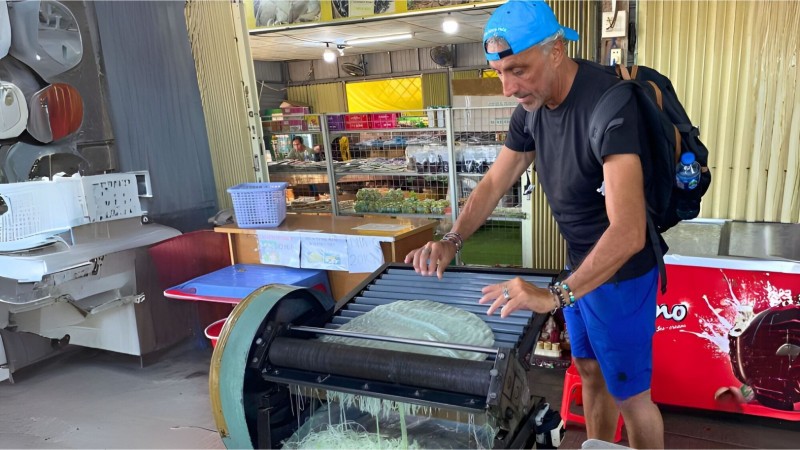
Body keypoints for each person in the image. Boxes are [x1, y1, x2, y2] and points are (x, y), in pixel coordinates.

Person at [404, 1, 664, 448]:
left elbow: (628, 231)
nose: (508, 87)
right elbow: (493, 182)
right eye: (499, 72)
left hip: (621, 274)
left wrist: (553, 296)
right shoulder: (532, 106)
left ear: (557, 50)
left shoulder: (609, 104)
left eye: (518, 70)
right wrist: (451, 238)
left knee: (632, 397)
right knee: (589, 371)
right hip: (578, 265)